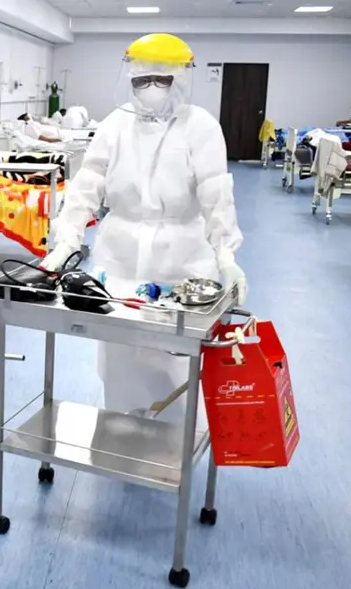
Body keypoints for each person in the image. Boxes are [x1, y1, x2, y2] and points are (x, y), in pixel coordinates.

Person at [40, 33, 246, 429]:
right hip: (120, 257)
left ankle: (176, 442)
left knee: (176, 361)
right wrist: (66, 239)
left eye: (161, 80)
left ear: (181, 79)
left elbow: (217, 196)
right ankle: (122, 429)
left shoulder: (201, 127)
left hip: (182, 259)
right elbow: (86, 185)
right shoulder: (116, 124)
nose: (150, 89)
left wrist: (227, 256)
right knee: (119, 356)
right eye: (141, 80)